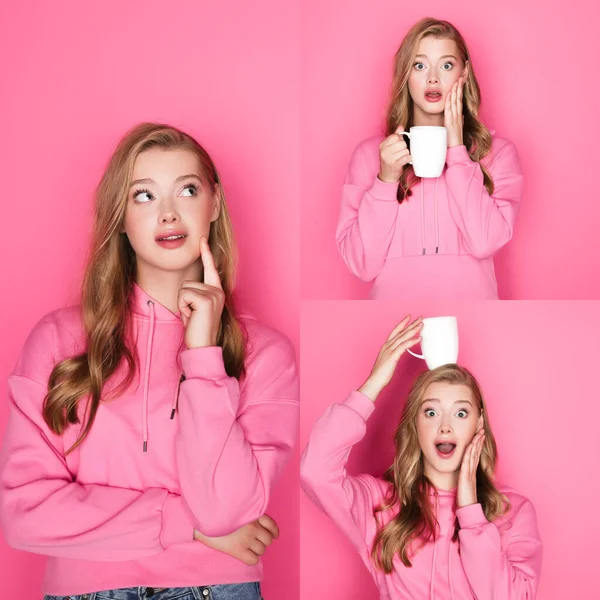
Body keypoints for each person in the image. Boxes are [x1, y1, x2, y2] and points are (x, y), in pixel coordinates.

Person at [0, 123, 299, 600]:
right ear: (120, 217)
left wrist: (202, 355)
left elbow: (226, 513)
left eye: (187, 189)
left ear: (215, 204)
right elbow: (23, 513)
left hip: (214, 591)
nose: (167, 214)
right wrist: (189, 527)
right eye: (144, 196)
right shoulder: (58, 340)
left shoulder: (265, 353)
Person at [301, 315, 542, 599]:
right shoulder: (379, 504)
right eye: (431, 412)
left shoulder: (512, 511)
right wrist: (375, 381)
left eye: (461, 412)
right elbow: (315, 470)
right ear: (415, 425)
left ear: (479, 424)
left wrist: (471, 513)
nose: (445, 425)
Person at [336, 18, 523, 300]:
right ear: (405, 73)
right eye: (420, 65)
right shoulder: (370, 155)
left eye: (446, 65)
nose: (433, 78)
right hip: (394, 315)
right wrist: (385, 179)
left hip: (473, 314)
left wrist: (458, 150)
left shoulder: (497, 153)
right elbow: (362, 265)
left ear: (464, 72)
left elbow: (485, 243)